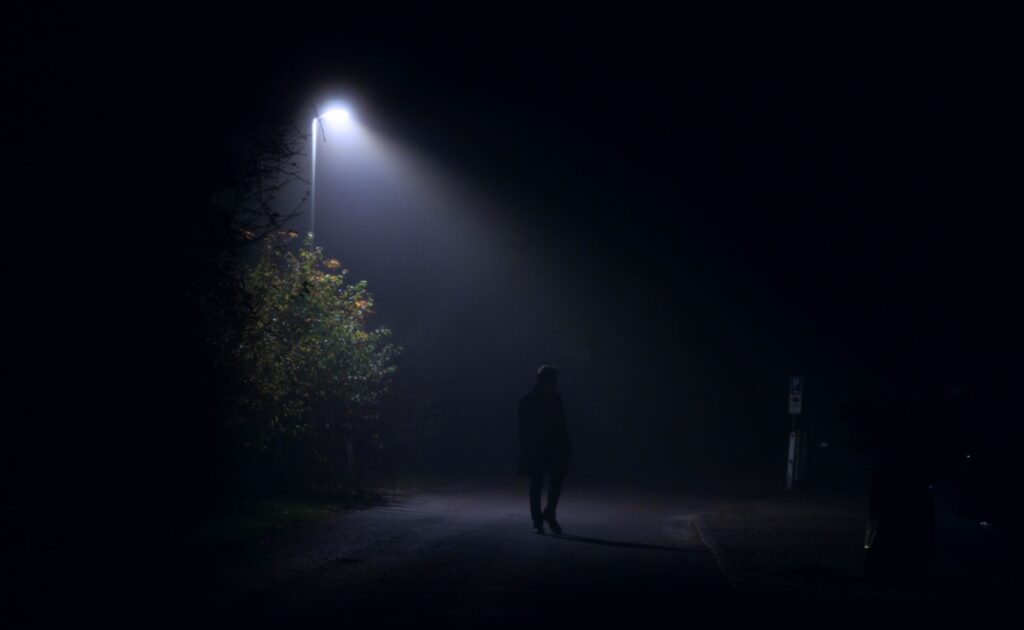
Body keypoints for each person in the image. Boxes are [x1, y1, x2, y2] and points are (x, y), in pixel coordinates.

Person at [518, 365, 571, 534]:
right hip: (537, 448)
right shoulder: (528, 401)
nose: (555, 383)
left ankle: (547, 513)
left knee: (555, 480)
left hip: (552, 448)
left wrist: (566, 445)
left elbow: (562, 425)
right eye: (552, 380)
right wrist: (526, 450)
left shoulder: (553, 398)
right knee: (537, 484)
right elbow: (523, 430)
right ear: (545, 380)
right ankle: (539, 521)